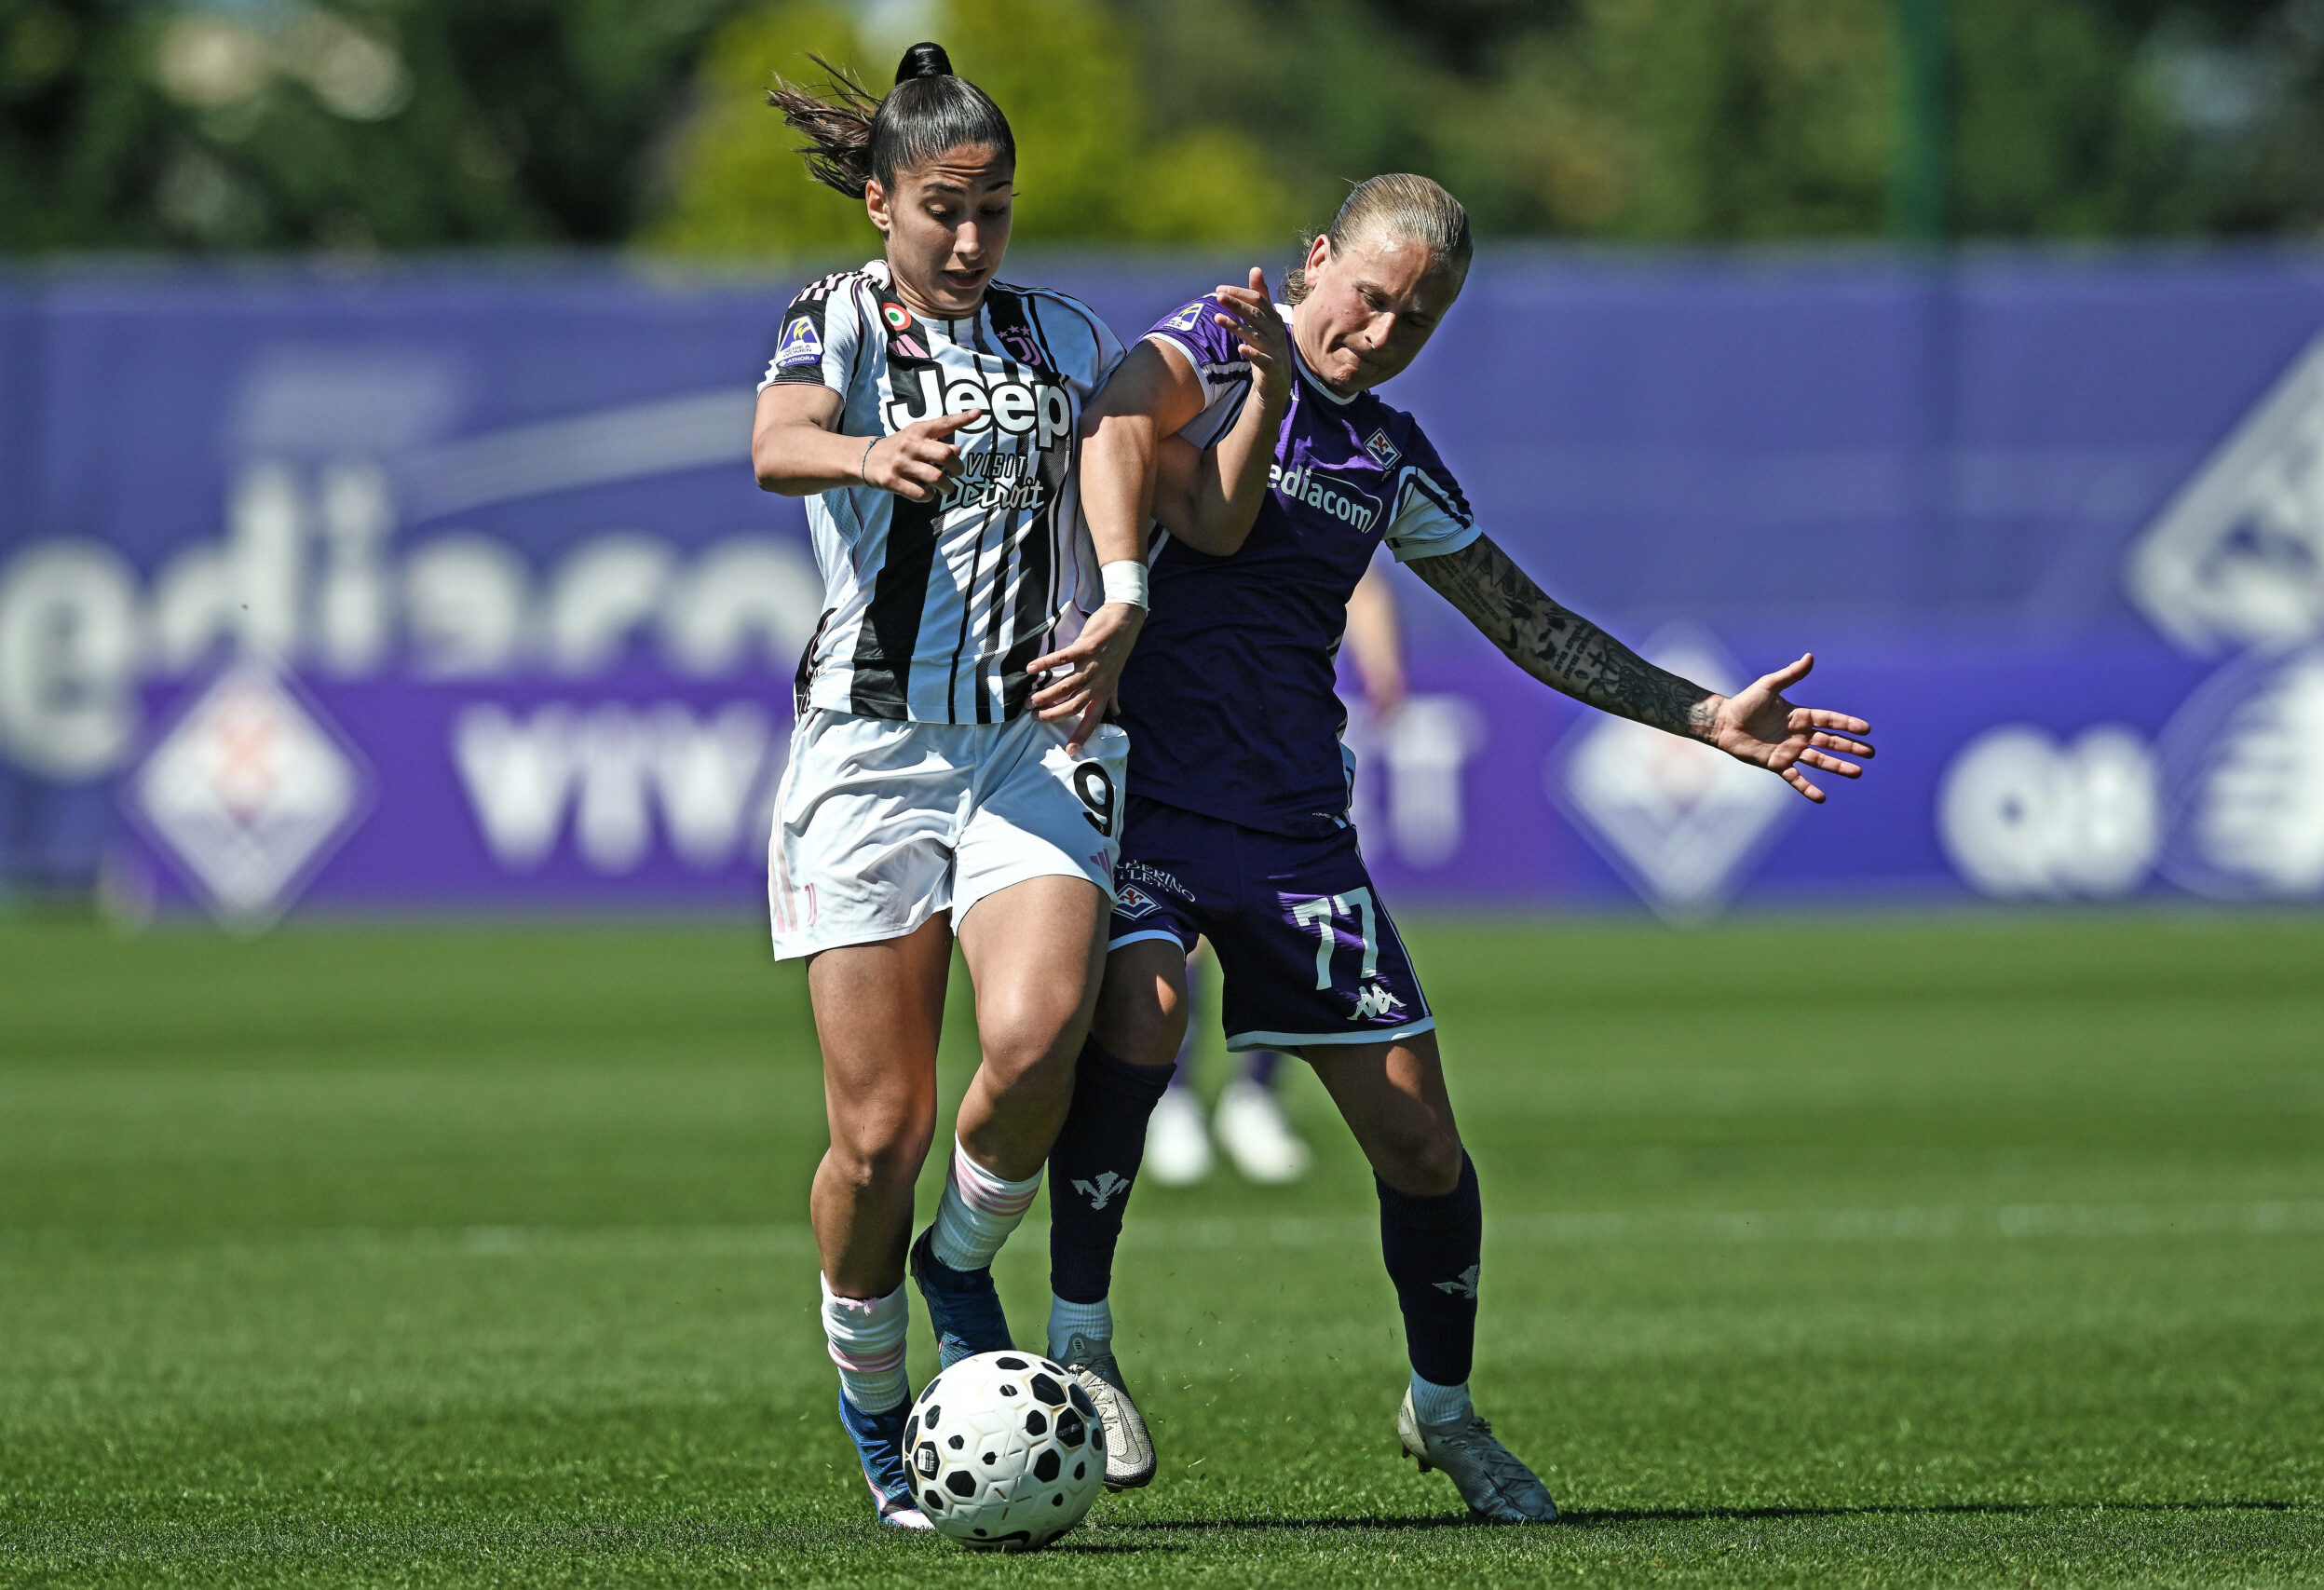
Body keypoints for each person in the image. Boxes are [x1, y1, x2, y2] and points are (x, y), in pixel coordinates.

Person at [1040, 174, 1877, 1518]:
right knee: (1144, 1013)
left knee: (1422, 1143)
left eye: (1416, 321)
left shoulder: (1389, 459)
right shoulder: (1216, 340)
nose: (1381, 333)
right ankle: (1081, 1342)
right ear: (1319, 258)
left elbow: (1525, 620)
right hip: (1146, 797)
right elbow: (1121, 420)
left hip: (1294, 827)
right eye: (1371, 298)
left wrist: (1702, 715)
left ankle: (1442, 1411)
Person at [743, 41, 1283, 1529]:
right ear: (881, 203)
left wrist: (1258, 392)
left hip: (1030, 744)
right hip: (868, 755)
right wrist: (868, 454)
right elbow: (775, 443)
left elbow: (1204, 507)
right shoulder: (838, 316)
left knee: (1042, 1034)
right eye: (944, 210)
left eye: (994, 210)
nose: (972, 239)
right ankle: (875, 1405)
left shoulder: (1061, 336)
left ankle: (963, 1261)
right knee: (879, 1136)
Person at [1145, 562, 1407, 1187]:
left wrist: (1383, 664)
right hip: (1180, 719)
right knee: (1184, 925)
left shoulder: (1300, 505)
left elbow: (1359, 574)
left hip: (1284, 736)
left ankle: (1255, 1098)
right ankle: (1173, 1099)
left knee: (1280, 921)